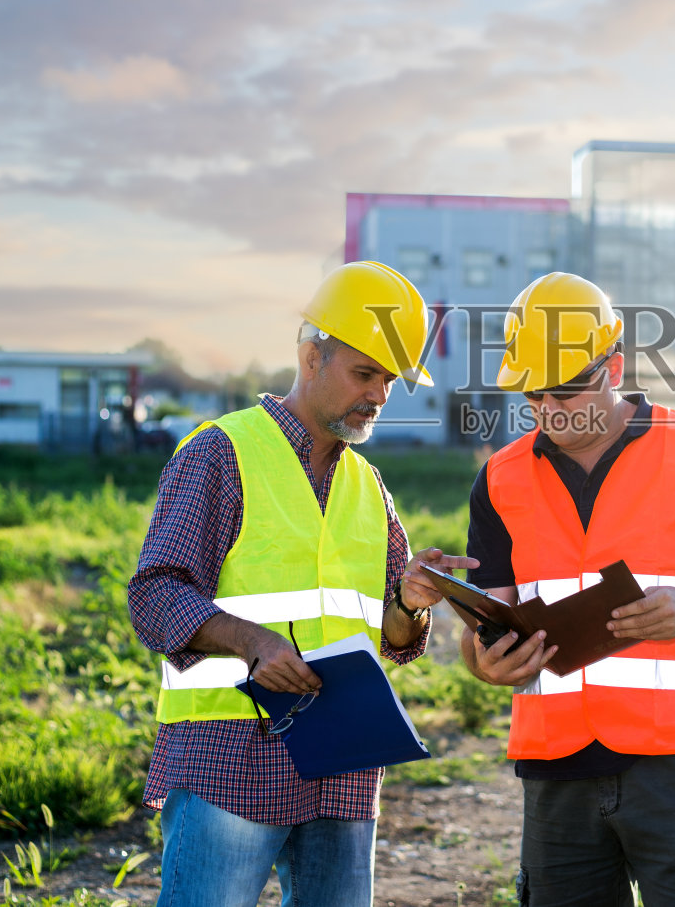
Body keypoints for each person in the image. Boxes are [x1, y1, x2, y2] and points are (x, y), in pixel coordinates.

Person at [128, 260, 475, 907]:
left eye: (389, 380)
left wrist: (409, 601)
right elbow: (155, 594)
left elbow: (392, 636)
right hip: (230, 754)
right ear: (311, 357)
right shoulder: (220, 452)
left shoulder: (368, 487)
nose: (376, 394)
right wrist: (253, 643)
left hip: (343, 764)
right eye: (363, 373)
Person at [460, 272, 675, 907]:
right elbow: (486, 627)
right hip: (554, 770)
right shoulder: (500, 480)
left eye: (569, 389)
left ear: (614, 365)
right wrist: (487, 662)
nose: (552, 408)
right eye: (535, 394)